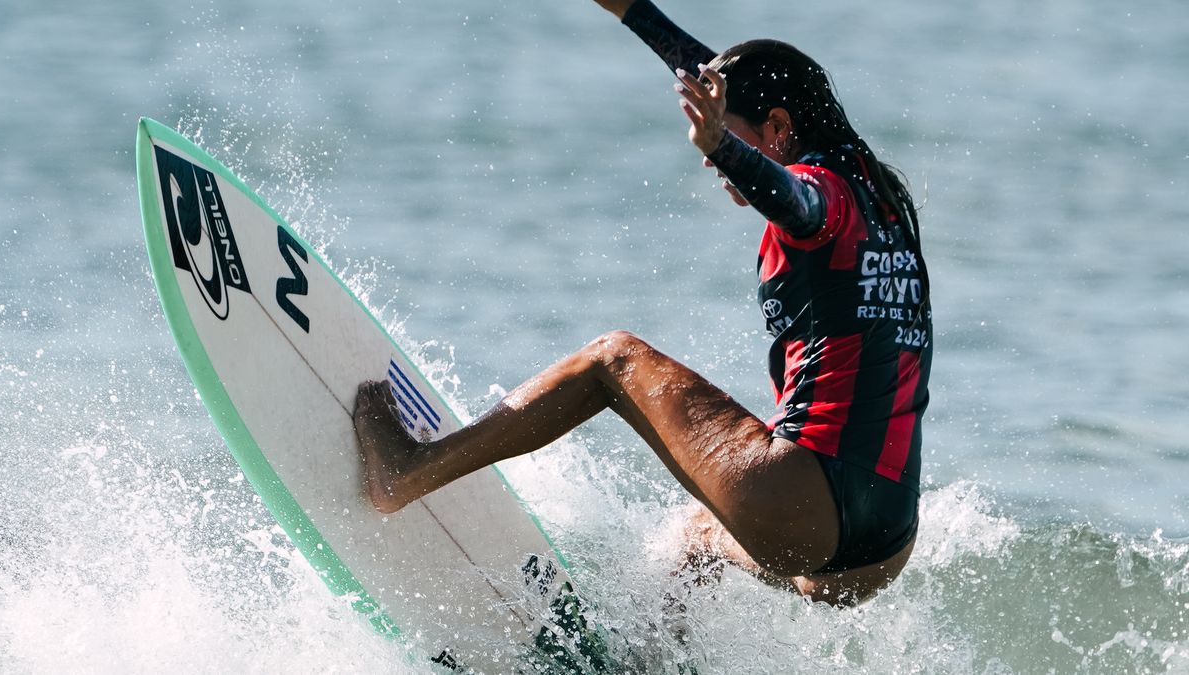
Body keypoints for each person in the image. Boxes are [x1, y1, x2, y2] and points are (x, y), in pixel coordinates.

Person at [354, 0, 932, 607]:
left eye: (725, 140)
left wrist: (726, 146)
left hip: (806, 505)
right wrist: (633, 11)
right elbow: (715, 79)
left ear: (780, 129)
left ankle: (406, 474)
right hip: (881, 546)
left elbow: (795, 201)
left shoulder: (823, 197)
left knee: (614, 360)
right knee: (695, 542)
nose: (711, 162)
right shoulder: (881, 200)